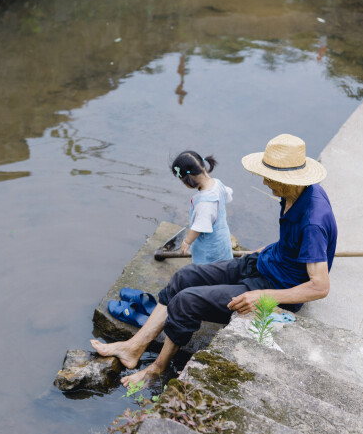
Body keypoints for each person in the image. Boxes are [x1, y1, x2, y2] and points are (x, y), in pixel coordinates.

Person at [92, 134, 337, 386]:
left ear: (288, 178)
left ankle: (157, 369)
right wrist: (266, 250)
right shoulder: (295, 193)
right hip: (263, 263)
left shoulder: (312, 221)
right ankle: (134, 347)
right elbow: (292, 244)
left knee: (186, 302)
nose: (264, 181)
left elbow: (320, 287)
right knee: (183, 277)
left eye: (269, 177)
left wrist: (263, 297)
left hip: (274, 287)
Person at [170, 150, 234, 264]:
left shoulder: (205, 203)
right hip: (222, 238)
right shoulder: (217, 183)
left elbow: (199, 227)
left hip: (210, 248)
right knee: (224, 264)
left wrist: (187, 242)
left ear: (188, 179)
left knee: (209, 269)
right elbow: (228, 195)